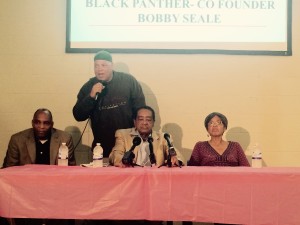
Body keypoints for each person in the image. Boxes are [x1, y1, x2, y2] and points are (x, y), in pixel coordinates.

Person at [2, 108, 76, 225]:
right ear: (32, 123)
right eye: (37, 122)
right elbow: (8, 172)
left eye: (46, 123)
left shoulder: (64, 139)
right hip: (25, 190)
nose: (41, 126)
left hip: (55, 189)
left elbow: (71, 171)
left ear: (52, 124)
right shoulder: (17, 139)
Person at [73, 50, 145, 158]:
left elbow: (141, 110)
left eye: (104, 65)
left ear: (112, 66)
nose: (99, 69)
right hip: (102, 146)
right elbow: (78, 115)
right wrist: (91, 96)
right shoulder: (89, 86)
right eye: (96, 66)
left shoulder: (128, 81)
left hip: (129, 143)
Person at [187, 112, 249, 225]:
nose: (214, 125)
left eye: (218, 123)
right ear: (207, 128)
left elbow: (246, 169)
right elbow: (191, 170)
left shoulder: (235, 146)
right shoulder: (200, 146)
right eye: (211, 123)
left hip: (233, 191)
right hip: (208, 192)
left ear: (225, 127)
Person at [109, 105, 184, 168]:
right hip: (131, 177)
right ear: (135, 122)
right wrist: (123, 160)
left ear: (153, 122)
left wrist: (175, 159)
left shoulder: (163, 137)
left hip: (155, 179)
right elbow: (116, 153)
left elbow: (177, 155)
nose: (144, 123)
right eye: (141, 119)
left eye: (148, 119)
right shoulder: (123, 134)